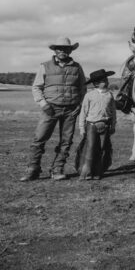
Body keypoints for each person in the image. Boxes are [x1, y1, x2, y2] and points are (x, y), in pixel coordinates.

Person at [22, 37, 87, 182]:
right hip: (50, 108)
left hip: (71, 109)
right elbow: (36, 87)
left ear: (70, 50)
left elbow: (82, 88)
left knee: (66, 141)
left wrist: (79, 105)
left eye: (65, 48)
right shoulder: (44, 66)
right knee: (39, 139)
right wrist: (43, 104)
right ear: (55, 50)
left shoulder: (77, 67)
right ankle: (33, 169)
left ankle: (57, 169)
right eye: (59, 48)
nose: (62, 51)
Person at [78, 69, 117, 180]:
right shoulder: (89, 95)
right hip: (91, 124)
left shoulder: (110, 95)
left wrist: (113, 125)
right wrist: (82, 128)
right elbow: (83, 112)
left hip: (105, 124)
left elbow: (113, 112)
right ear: (96, 83)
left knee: (102, 148)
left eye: (106, 79)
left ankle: (98, 172)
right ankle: (86, 172)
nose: (107, 81)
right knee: (90, 147)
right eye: (103, 80)